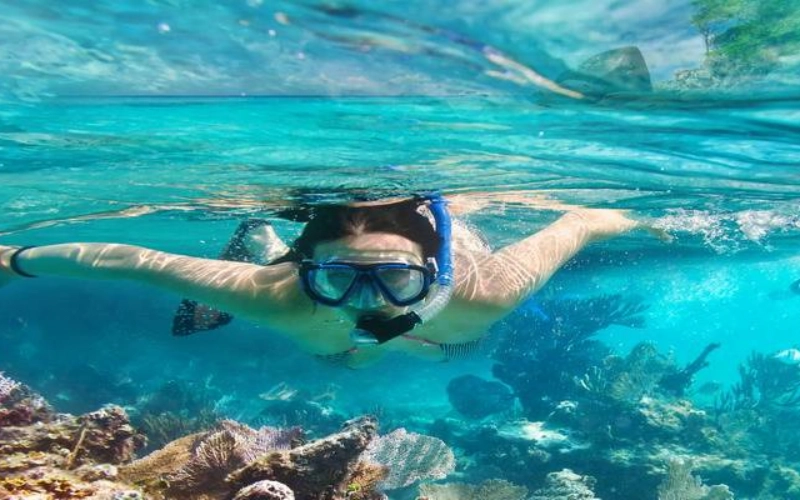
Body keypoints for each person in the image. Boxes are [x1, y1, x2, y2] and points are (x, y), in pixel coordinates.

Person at [0, 194, 648, 368]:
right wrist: (12, 259)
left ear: (434, 270)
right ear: (307, 273)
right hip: (304, 292)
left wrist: (652, 219)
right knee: (339, 360)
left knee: (465, 344)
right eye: (340, 279)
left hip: (446, 312)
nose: (369, 302)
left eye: (394, 277)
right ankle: (266, 239)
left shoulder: (490, 288)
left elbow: (582, 220)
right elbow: (126, 258)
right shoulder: (278, 295)